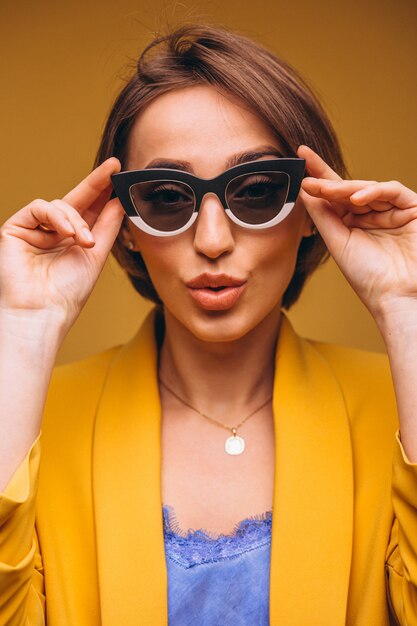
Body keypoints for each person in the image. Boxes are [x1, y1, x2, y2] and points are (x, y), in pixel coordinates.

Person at [0, 21, 416, 626]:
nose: (214, 241)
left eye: (255, 189)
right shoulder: (34, 421)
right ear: (129, 225)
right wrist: (23, 327)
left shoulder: (395, 408)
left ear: (310, 207)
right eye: (168, 197)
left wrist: (406, 306)